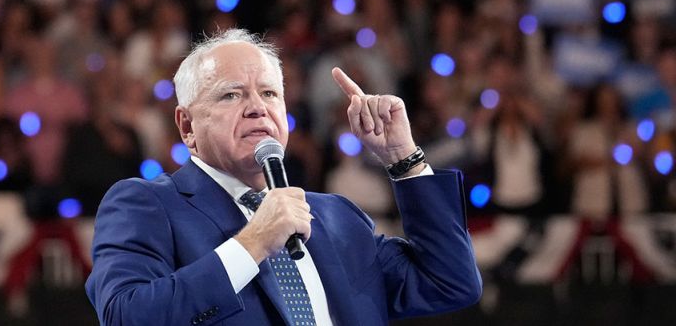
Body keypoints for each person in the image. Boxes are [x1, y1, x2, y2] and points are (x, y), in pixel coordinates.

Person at [86, 30, 481, 325]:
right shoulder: (147, 204)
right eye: (231, 95)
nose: (258, 108)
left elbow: (450, 283)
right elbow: (125, 316)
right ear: (186, 125)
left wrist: (403, 159)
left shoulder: (337, 217)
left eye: (270, 94)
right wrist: (253, 242)